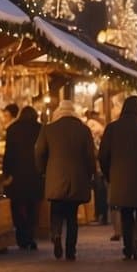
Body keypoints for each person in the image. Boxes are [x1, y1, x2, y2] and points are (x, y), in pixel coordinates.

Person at [99, 96, 137, 260]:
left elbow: (103, 155)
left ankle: (128, 246)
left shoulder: (112, 129)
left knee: (126, 213)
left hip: (119, 178)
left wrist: (108, 174)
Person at [35, 100, 96, 261]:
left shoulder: (49, 129)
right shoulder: (84, 130)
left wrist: (42, 170)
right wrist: (91, 174)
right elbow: (90, 156)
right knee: (72, 216)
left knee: (56, 209)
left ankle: (56, 234)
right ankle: (71, 250)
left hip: (55, 176)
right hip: (77, 177)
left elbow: (39, 151)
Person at [2, 105, 43, 250]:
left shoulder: (13, 129)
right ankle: (30, 236)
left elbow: (8, 153)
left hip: (17, 174)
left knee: (17, 205)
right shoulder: (40, 129)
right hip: (35, 174)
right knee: (33, 207)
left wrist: (6, 172)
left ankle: (21, 236)